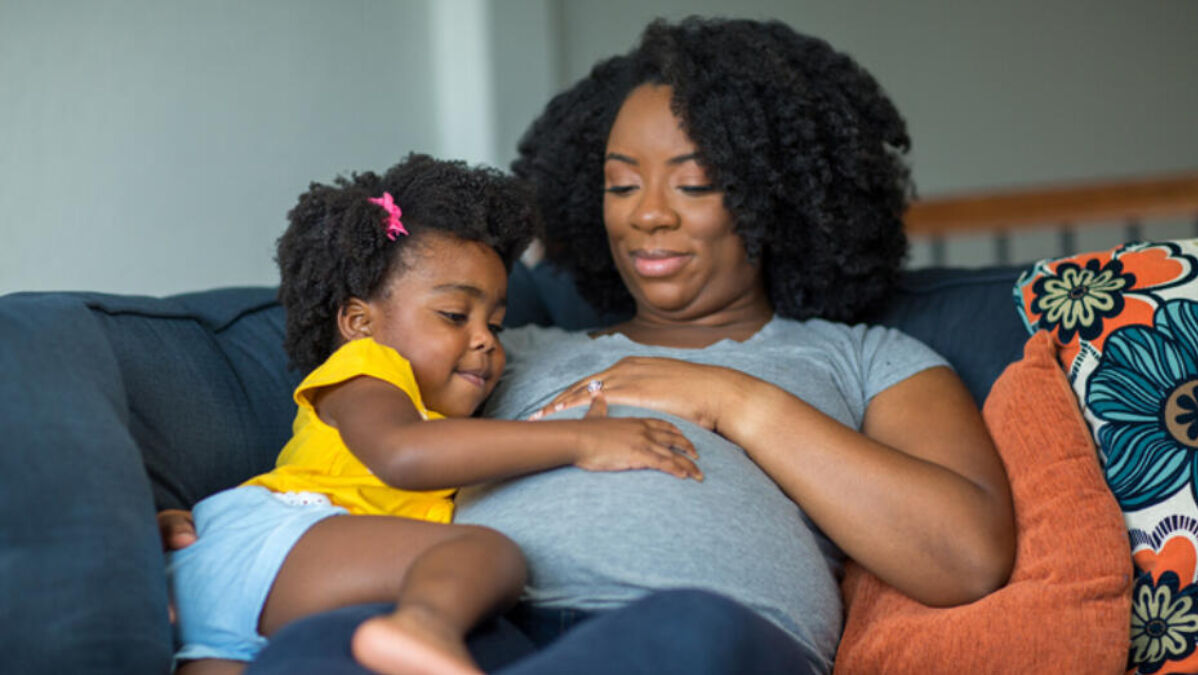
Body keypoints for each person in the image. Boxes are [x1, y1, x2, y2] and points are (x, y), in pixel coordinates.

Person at [163, 17, 1016, 674]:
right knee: (324, 646)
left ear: (778, 193)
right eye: (618, 182)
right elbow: (357, 453)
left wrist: (731, 399)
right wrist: (209, 528)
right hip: (468, 627)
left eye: (695, 182)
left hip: (694, 631)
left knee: (692, 629)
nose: (646, 213)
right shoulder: (492, 346)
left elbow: (965, 557)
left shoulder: (864, 359)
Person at [164, 154, 703, 675]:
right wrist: (581, 442)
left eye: (494, 324)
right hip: (277, 540)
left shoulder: (437, 411)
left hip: (240, 611)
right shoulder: (366, 370)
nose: (485, 342)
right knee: (485, 552)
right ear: (359, 321)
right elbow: (405, 456)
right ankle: (425, 625)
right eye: (453, 315)